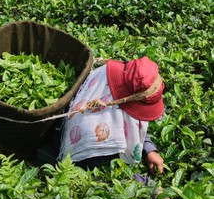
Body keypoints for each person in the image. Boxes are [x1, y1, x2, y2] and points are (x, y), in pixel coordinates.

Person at [35, 56, 165, 189]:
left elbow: (132, 123)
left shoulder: (104, 78)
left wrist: (149, 149)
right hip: (80, 158)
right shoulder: (100, 140)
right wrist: (152, 189)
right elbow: (113, 176)